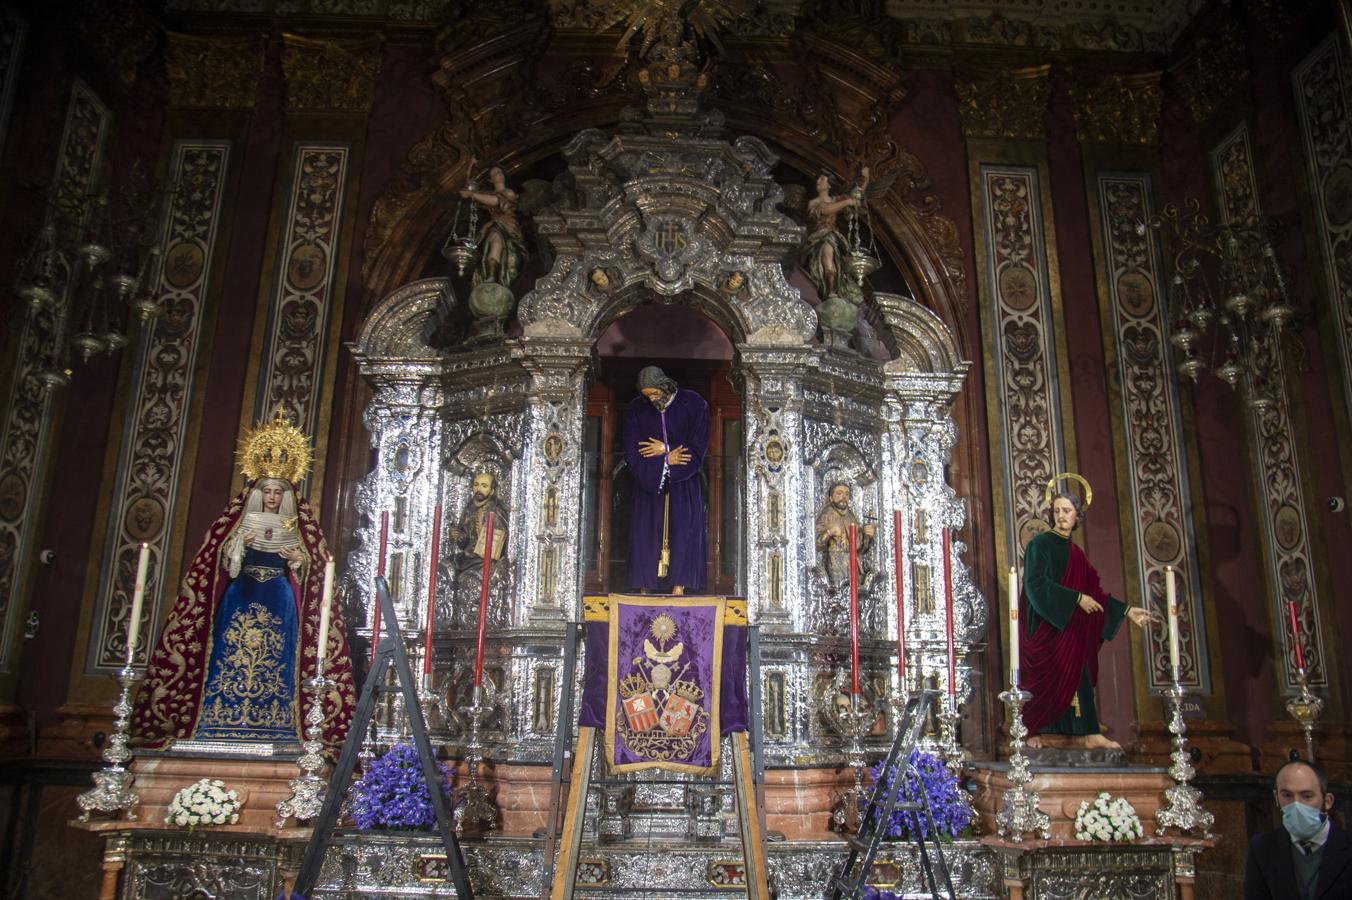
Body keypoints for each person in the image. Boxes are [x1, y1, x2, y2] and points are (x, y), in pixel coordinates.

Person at [132, 410, 355, 751]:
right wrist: (236, 549)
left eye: (278, 492)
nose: (272, 497)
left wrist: (300, 561)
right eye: (266, 491)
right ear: (257, 492)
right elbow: (213, 565)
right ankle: (217, 721)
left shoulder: (299, 525)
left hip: (280, 598)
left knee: (276, 657)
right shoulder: (236, 521)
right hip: (241, 593)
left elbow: (320, 571)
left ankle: (279, 724)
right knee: (230, 652)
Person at [1019, 482, 1152, 750]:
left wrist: (1127, 611)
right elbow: (1035, 584)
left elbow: (1094, 594)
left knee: (1079, 673)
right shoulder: (1040, 545)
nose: (1061, 515)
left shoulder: (1077, 555)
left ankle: (1089, 733)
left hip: (1070, 628)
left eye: (1067, 510)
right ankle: (1034, 730)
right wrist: (1076, 598)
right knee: (1043, 676)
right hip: (1046, 625)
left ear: (1077, 516)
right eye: (1056, 510)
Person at [623, 366, 709, 595]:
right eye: (647, 395)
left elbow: (697, 450)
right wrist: (665, 461)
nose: (652, 399)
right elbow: (633, 453)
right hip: (649, 485)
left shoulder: (694, 404)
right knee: (646, 536)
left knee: (683, 532)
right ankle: (645, 588)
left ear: (665, 386)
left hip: (683, 486)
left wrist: (666, 450)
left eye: (655, 393)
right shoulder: (636, 410)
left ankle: (678, 588)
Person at [1245, 758, 1352, 899]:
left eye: (1307, 796)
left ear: (1327, 801)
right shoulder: (1261, 848)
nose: (1296, 805)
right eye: (1287, 795)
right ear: (1276, 798)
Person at [799, 167, 869, 304]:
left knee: (833, 264)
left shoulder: (836, 199)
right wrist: (847, 202)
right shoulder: (813, 203)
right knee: (825, 264)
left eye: (822, 179)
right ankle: (828, 291)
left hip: (832, 237)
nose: (818, 181)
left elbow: (857, 196)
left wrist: (866, 179)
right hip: (817, 239)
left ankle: (833, 291)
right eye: (818, 179)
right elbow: (825, 210)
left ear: (829, 184)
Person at [447, 471, 510, 621]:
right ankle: (450, 612)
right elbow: (464, 540)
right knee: (446, 565)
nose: (479, 489)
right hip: (468, 556)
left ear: (492, 490)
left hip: (485, 557)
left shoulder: (495, 511)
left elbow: (501, 540)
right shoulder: (469, 510)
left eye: (484, 486)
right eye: (476, 485)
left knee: (480, 570)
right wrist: (459, 536)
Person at [459, 160, 526, 288]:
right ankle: (491, 275)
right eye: (495, 173)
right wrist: (470, 167)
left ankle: (495, 275)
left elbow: (495, 201)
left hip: (508, 225)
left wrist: (472, 195)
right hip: (495, 226)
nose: (499, 174)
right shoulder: (487, 194)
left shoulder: (509, 193)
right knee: (494, 242)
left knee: (498, 242)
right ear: (490, 180)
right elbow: (469, 188)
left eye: (500, 172)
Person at [814, 482, 876, 589]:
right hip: (835, 563)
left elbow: (859, 547)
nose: (843, 497)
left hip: (852, 564)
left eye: (847, 494)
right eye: (839, 493)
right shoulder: (826, 514)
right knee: (837, 592)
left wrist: (867, 536)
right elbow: (816, 544)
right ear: (831, 497)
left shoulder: (851, 516)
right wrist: (829, 533)